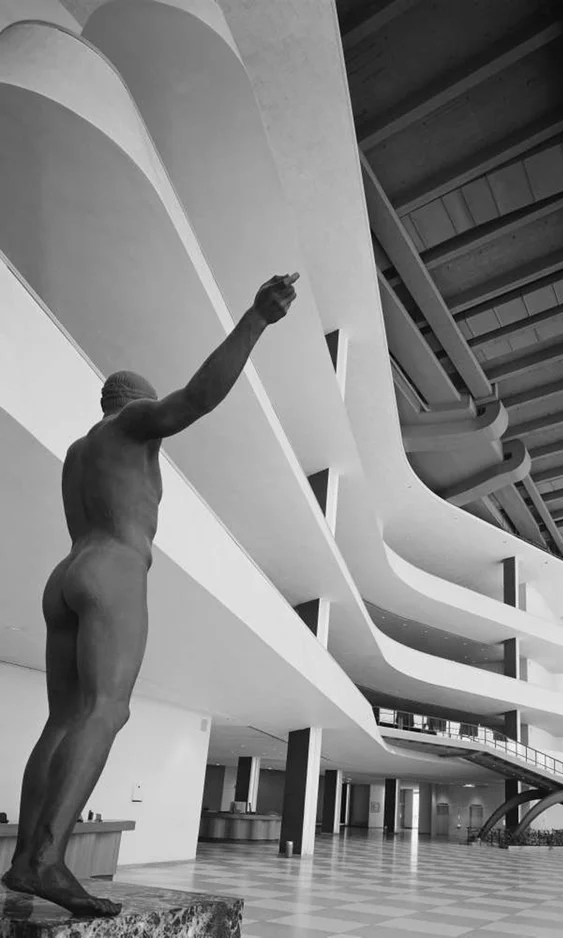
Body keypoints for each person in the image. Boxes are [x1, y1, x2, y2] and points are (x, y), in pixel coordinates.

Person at [1, 273, 299, 917]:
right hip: (112, 572)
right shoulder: (134, 424)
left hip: (66, 575)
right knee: (106, 711)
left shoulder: (78, 453)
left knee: (64, 718)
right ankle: (48, 861)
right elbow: (196, 398)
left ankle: (26, 858)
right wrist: (255, 319)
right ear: (134, 399)